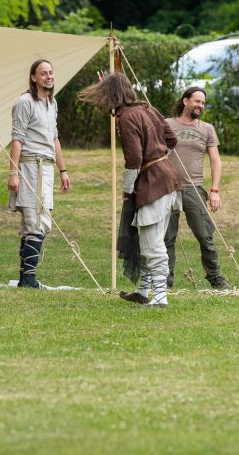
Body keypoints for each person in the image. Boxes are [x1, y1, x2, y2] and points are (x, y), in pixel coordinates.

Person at [79, 73, 180, 307]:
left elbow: (134, 159)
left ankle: (161, 297)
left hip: (154, 183)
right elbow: (172, 140)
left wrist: (128, 188)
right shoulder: (148, 109)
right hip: (167, 178)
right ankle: (144, 292)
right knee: (149, 240)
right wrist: (160, 158)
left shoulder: (127, 116)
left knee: (152, 243)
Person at [8, 59, 70, 289]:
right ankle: (30, 278)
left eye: (51, 72)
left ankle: (26, 279)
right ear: (33, 77)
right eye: (43, 73)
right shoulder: (25, 102)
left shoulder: (52, 103)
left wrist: (63, 170)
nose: (49, 76)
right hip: (30, 166)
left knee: (33, 222)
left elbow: (54, 139)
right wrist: (13, 172)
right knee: (37, 222)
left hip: (46, 167)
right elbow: (17, 138)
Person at [164, 87, 231, 289]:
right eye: (197, 101)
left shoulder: (207, 129)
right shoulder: (166, 125)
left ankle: (215, 277)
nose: (200, 106)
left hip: (194, 188)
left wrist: (215, 190)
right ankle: (165, 281)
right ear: (186, 101)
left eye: (203, 103)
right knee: (167, 238)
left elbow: (215, 161)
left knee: (205, 236)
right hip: (168, 188)